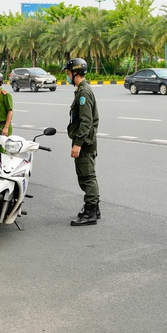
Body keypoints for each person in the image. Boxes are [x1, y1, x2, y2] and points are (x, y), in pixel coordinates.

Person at [64, 58, 101, 226]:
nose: (67, 75)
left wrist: (78, 144)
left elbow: (86, 121)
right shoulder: (81, 90)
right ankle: (94, 209)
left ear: (75, 74)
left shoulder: (84, 93)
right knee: (87, 175)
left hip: (84, 142)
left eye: (68, 73)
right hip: (85, 140)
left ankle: (90, 213)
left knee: (87, 177)